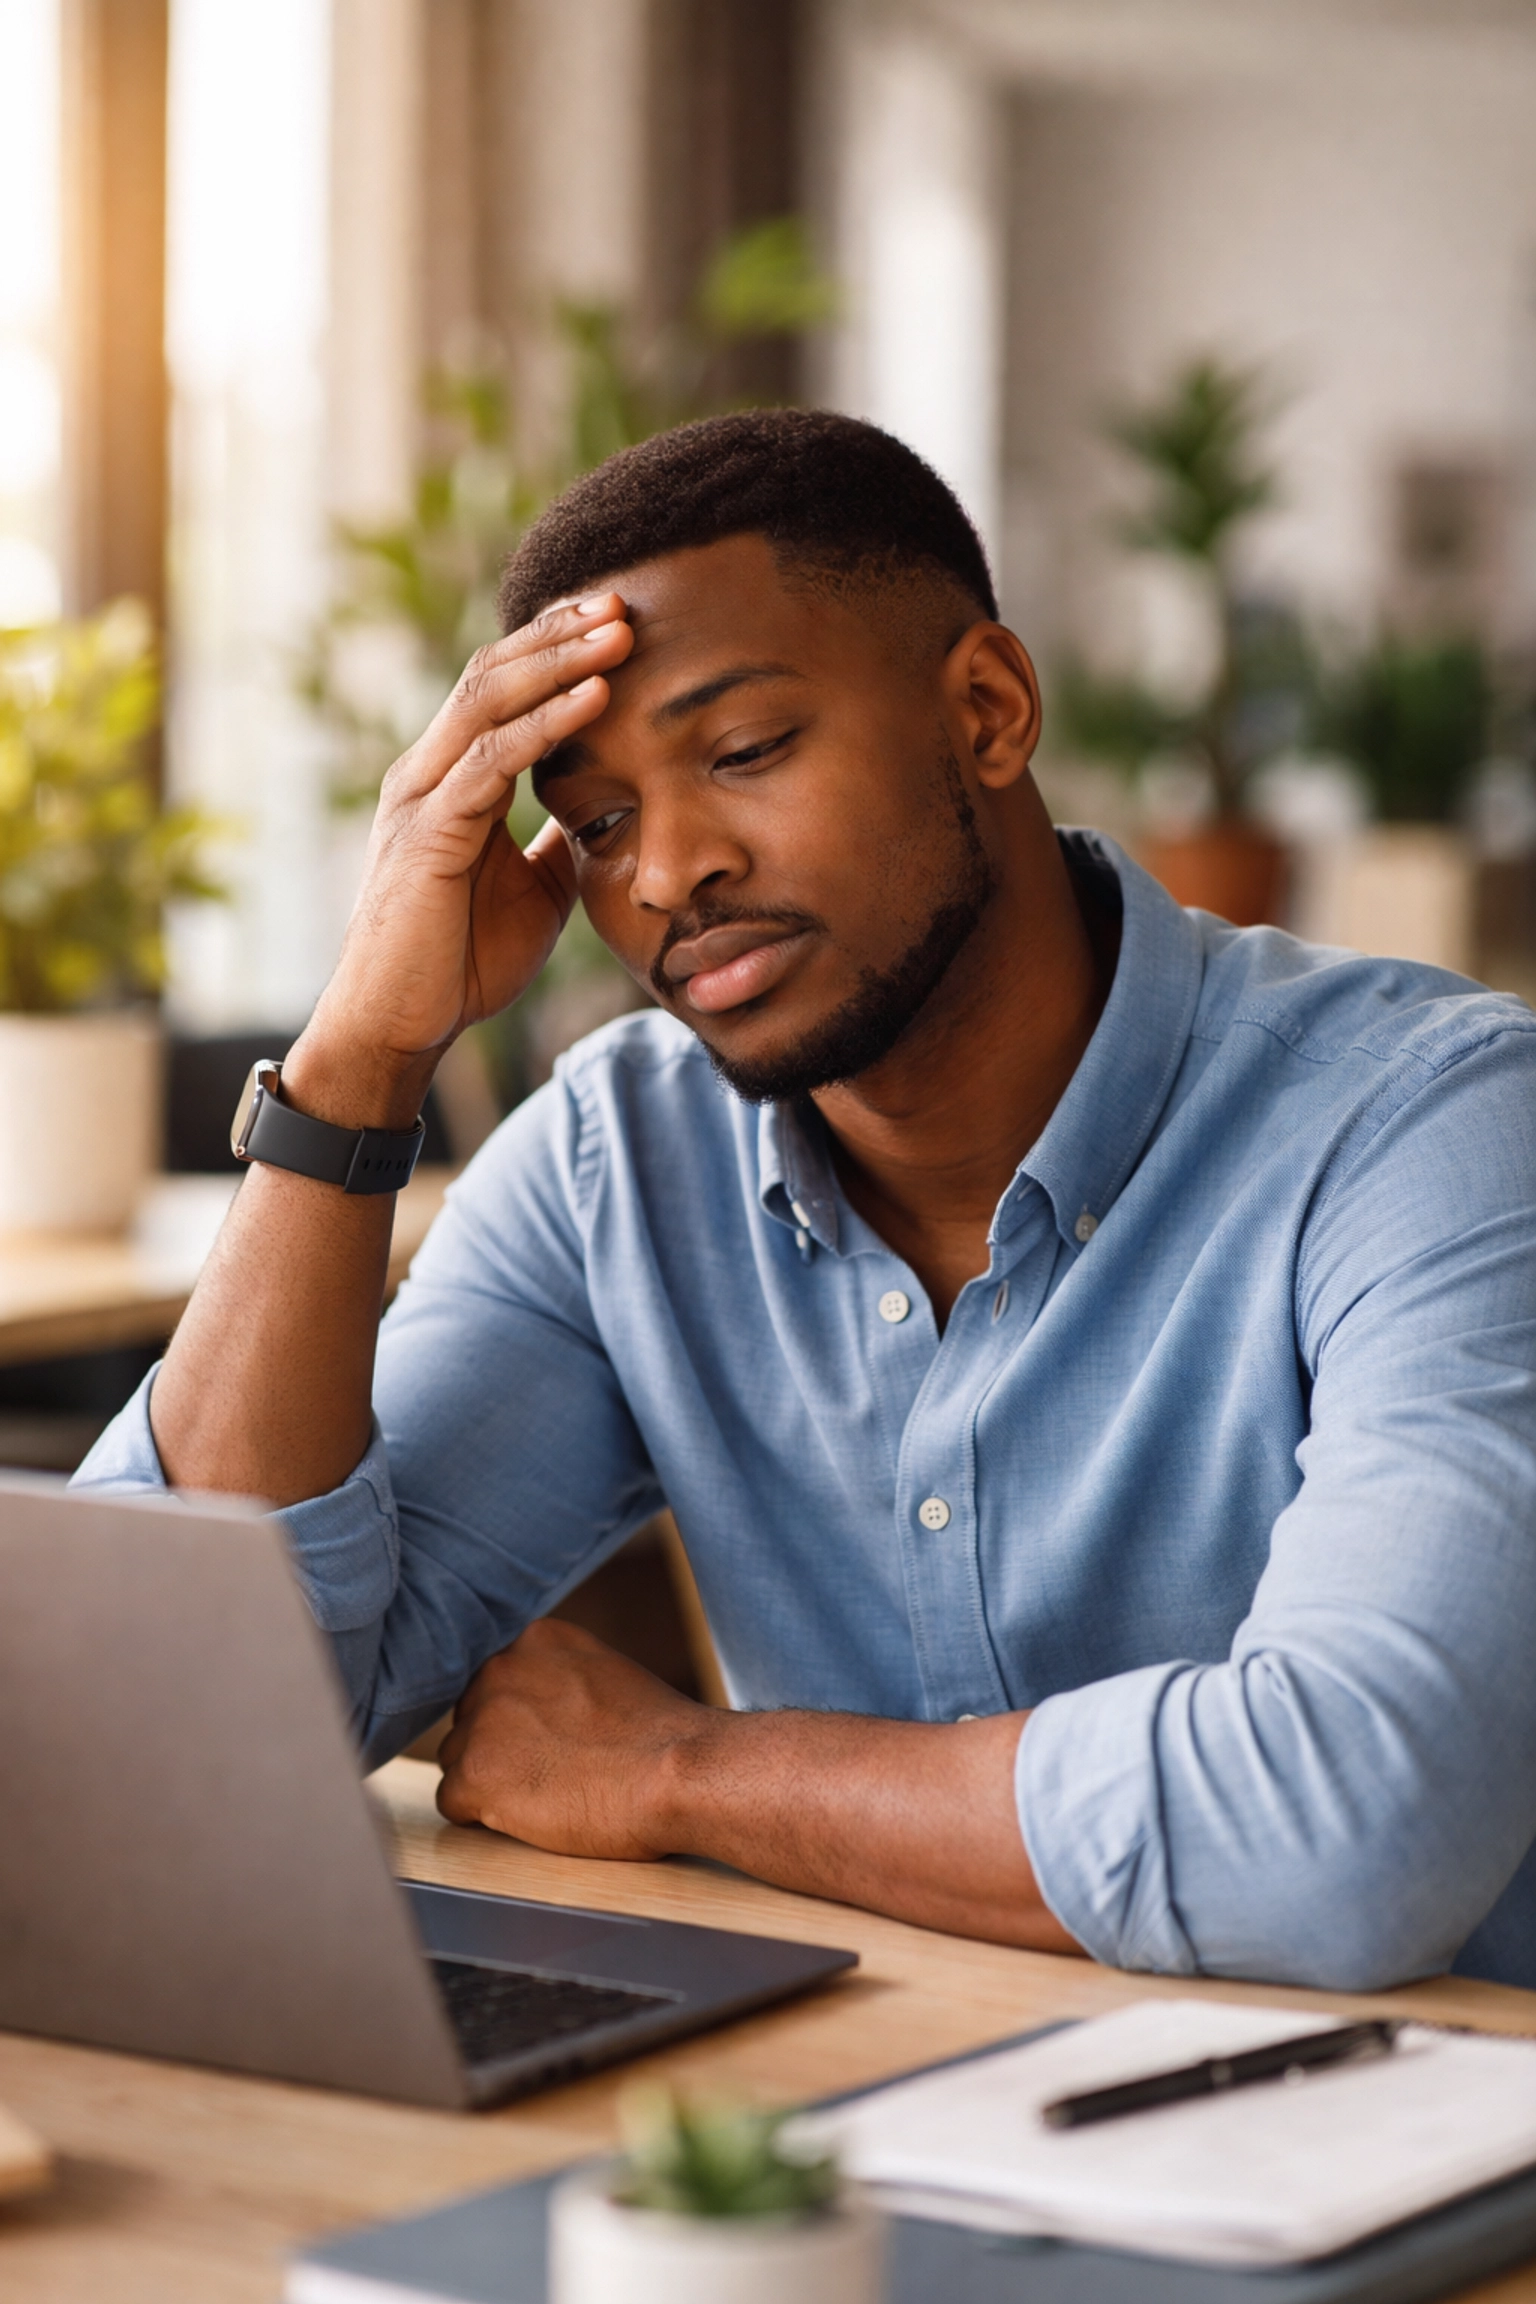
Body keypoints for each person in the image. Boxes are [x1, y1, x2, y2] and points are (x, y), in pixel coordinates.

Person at [78, 410, 1536, 1993]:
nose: (665, 874)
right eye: (603, 816)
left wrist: (690, 1773)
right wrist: (361, 1057)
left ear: (986, 709)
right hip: (864, 2130)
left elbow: (1353, 1830)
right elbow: (168, 1731)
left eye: (747, 751)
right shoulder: (616, 1168)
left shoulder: (1434, 1126)